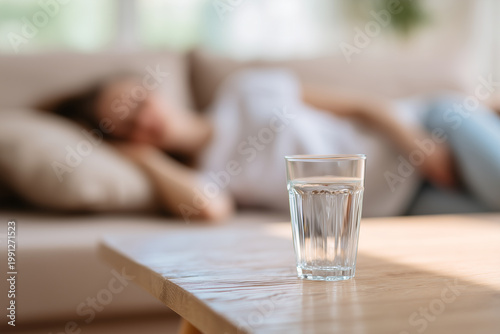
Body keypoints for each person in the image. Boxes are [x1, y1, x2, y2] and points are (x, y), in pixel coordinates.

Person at [48, 69, 500, 221]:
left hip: (431, 129)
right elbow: (209, 210)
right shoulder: (206, 177)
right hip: (399, 205)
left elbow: (361, 105)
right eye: (125, 123)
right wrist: (141, 157)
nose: (144, 120)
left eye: (140, 100)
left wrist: (416, 144)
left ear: (156, 89)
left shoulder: (242, 89)